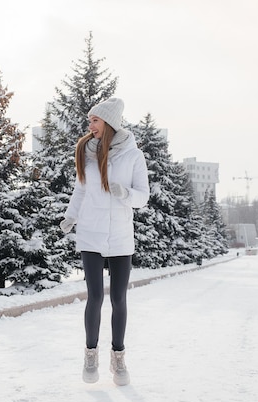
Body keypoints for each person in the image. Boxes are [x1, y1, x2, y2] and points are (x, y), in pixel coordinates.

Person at [60, 98, 149, 386]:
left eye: (95, 120)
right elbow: (80, 191)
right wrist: (70, 217)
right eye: (90, 120)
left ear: (108, 122)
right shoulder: (87, 154)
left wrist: (126, 194)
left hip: (121, 236)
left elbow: (143, 197)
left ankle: (118, 357)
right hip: (90, 233)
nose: (90, 125)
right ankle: (90, 353)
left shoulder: (134, 156)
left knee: (118, 298)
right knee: (95, 297)